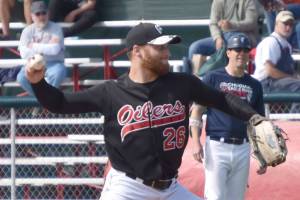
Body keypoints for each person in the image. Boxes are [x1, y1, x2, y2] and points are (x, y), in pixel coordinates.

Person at [25, 22, 265, 200]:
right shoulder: (112, 92)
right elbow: (61, 103)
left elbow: (222, 99)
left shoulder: (182, 83)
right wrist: (38, 83)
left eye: (167, 47)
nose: (166, 52)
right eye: (159, 48)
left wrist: (255, 118)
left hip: (170, 189)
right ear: (137, 51)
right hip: (127, 189)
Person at [190, 34, 265, 200]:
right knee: (215, 197)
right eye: (237, 49)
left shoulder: (255, 85)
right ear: (228, 52)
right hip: (217, 145)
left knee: (236, 198)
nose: (241, 53)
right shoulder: (213, 78)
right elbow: (196, 111)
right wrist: (195, 142)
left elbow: (258, 124)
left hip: (243, 148)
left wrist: (262, 156)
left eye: (245, 50)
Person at [187, 0, 259, 74]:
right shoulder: (218, 1)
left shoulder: (249, 1)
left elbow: (251, 22)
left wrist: (232, 25)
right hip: (222, 35)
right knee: (195, 47)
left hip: (243, 35)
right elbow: (213, 23)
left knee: (233, 44)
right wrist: (217, 38)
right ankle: (191, 79)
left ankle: (221, 74)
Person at [253, 10, 300, 113]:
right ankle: (293, 120)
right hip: (265, 83)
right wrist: (292, 77)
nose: (288, 27)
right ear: (276, 24)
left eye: (290, 25)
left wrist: (295, 76)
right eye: (285, 24)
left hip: (277, 82)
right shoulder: (271, 42)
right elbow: (270, 71)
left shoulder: (286, 44)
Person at [17, 0, 66, 96]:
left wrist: (33, 46)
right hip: (33, 65)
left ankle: (49, 99)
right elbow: (23, 53)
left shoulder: (56, 28)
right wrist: (47, 47)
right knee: (21, 78)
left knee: (58, 73)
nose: (41, 16)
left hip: (54, 64)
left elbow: (55, 50)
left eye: (44, 13)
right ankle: (40, 100)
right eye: (38, 14)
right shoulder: (27, 31)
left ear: (48, 13)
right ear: (32, 16)